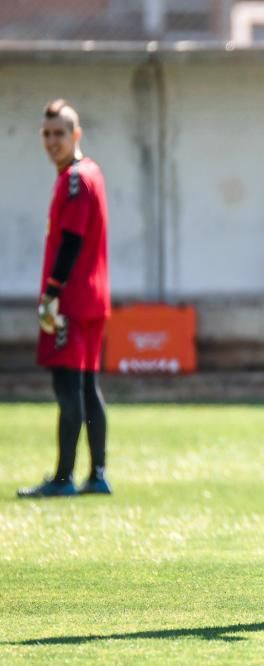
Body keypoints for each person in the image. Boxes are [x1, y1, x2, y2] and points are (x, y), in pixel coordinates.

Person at [17, 100, 111, 499]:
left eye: (60, 133)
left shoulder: (74, 179)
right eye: (47, 133)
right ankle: (98, 475)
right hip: (92, 298)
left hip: (71, 300)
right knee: (87, 387)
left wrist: (51, 294)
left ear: (76, 134)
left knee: (68, 388)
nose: (52, 141)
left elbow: (71, 242)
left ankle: (62, 478)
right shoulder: (91, 173)